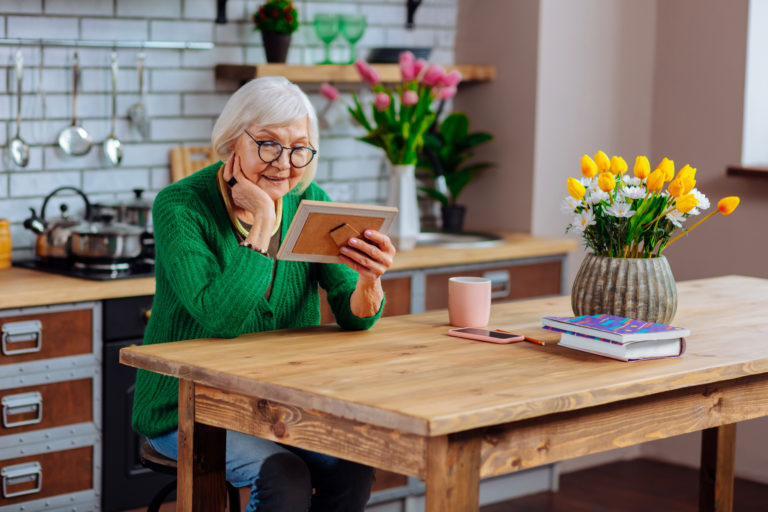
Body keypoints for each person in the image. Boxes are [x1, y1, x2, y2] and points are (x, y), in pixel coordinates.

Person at [132, 76, 396, 512]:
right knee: (283, 475)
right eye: (268, 144)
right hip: (185, 404)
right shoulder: (180, 207)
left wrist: (370, 280)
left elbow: (356, 317)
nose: (284, 163)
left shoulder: (311, 202)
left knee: (354, 467)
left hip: (277, 403)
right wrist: (263, 222)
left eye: (298, 148)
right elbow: (222, 319)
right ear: (233, 141)